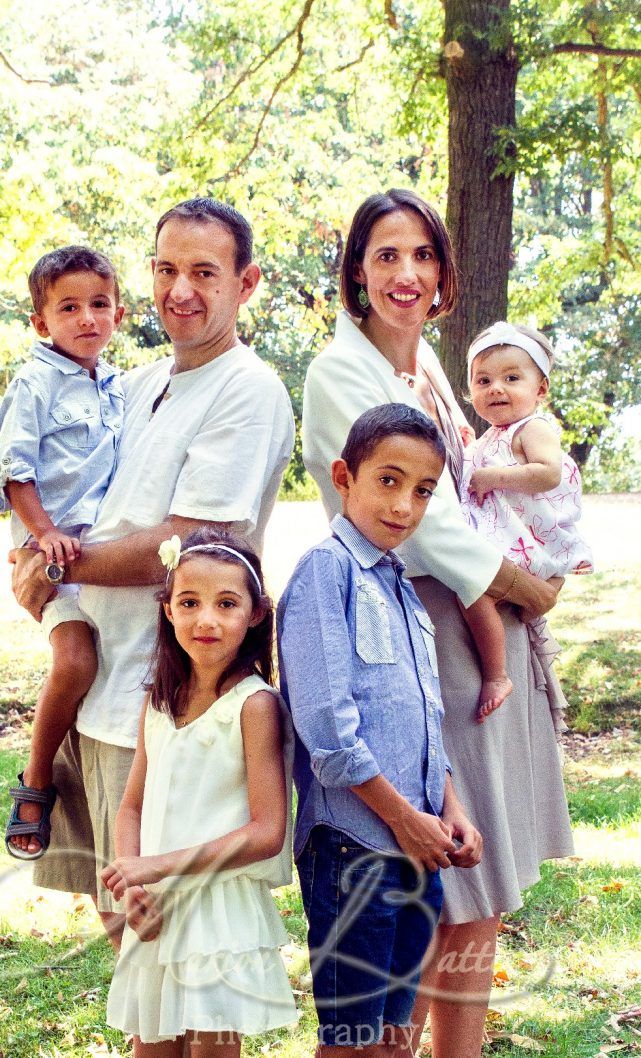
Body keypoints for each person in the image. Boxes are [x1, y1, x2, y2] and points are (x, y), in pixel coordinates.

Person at [302, 189, 573, 1058]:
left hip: (468, 629)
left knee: (476, 894)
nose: (405, 273)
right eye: (384, 255)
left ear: (443, 271)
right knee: (452, 896)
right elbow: (438, 526)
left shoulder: (427, 375)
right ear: (355, 272)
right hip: (426, 632)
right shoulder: (339, 371)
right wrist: (528, 591)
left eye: (421, 254)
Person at [10, 198, 295, 947]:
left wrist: (54, 566)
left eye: (204, 272)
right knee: (126, 939)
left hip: (169, 702)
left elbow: (186, 542)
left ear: (247, 282)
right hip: (99, 696)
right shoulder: (130, 384)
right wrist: (42, 558)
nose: (181, 291)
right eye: (166, 269)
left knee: (179, 951)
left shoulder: (247, 390)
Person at [278, 405, 482, 1057]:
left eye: (422, 490)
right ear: (344, 476)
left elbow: (423, 722)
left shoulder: (400, 587)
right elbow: (329, 733)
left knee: (395, 1034)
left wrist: (450, 814)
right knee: (352, 1040)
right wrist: (401, 819)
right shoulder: (325, 572)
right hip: (354, 846)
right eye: (388, 481)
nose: (403, 505)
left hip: (416, 844)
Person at [101, 528, 297, 1055]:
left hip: (218, 912)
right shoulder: (158, 701)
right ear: (167, 610)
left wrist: (157, 866)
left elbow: (267, 832)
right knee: (152, 1045)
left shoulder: (254, 706)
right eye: (189, 602)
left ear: (255, 614)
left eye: (226, 603)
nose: (205, 619)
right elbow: (132, 807)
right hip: (158, 905)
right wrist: (133, 879)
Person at [0, 246, 125, 858]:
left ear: (118, 314)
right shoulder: (35, 382)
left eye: (99, 304)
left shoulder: (121, 385)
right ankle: (35, 781)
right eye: (68, 308)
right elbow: (16, 470)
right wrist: (42, 534)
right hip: (49, 555)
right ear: (41, 323)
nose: (87, 319)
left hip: (100, 557)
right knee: (75, 661)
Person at [460, 320, 593, 723]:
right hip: (517, 537)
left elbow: (548, 472)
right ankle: (531, 610)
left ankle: (496, 674)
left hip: (532, 537)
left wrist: (490, 476)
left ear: (541, 388)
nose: (495, 388)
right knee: (480, 593)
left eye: (511, 377)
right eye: (483, 380)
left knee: (475, 592)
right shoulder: (490, 437)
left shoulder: (533, 428)